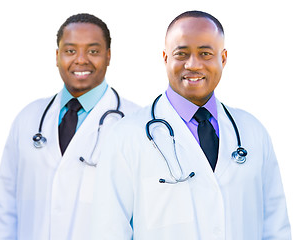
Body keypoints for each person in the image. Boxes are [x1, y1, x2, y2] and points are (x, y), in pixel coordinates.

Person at [91, 10, 291, 239]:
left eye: (205, 53)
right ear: (166, 58)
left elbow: (276, 227)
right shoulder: (125, 136)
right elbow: (108, 231)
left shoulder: (253, 133)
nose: (193, 64)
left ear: (223, 58)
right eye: (181, 54)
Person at [0, 13, 139, 240]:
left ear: (108, 56)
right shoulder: (28, 119)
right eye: (70, 51)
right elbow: (5, 206)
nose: (81, 60)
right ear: (57, 56)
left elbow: (149, 214)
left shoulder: (135, 122)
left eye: (93, 51)